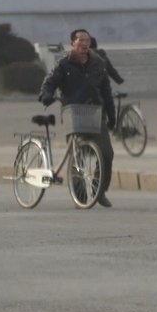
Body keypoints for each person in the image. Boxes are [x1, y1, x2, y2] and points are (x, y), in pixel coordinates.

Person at [39, 28, 117, 208]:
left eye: (87, 41)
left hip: (96, 114)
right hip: (73, 114)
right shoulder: (64, 64)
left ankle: (100, 190)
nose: (84, 44)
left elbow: (106, 91)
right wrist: (46, 94)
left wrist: (112, 116)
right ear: (72, 43)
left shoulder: (98, 64)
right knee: (77, 155)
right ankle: (80, 194)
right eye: (80, 40)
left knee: (106, 153)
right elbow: (50, 82)